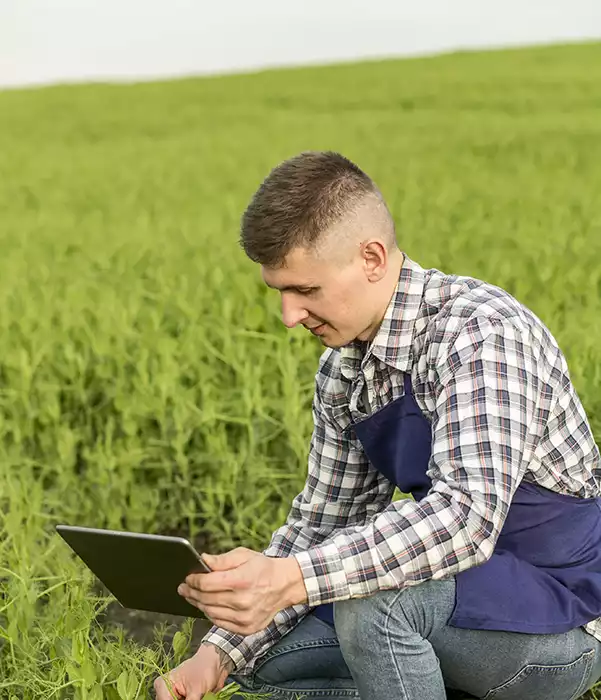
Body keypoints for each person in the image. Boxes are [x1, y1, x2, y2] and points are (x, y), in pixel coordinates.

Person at [154, 151, 601, 700]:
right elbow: (322, 523)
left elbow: (466, 518)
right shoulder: (343, 372)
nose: (289, 316)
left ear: (371, 258)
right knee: (263, 664)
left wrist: (289, 580)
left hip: (562, 614)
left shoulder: (481, 334)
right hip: (455, 598)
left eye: (306, 291)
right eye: (280, 292)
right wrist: (218, 652)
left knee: (372, 605)